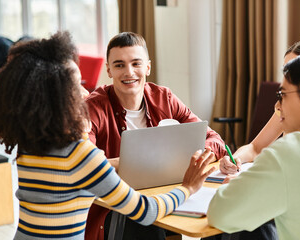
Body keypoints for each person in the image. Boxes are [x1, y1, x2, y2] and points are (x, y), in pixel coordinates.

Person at [0, 31, 216, 240]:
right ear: (57, 95)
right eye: (76, 84)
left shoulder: (30, 145)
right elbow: (145, 211)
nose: (85, 91)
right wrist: (189, 187)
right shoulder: (79, 154)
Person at [85, 32, 227, 239]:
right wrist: (136, 161)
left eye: (136, 63)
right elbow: (85, 165)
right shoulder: (93, 108)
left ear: (148, 67)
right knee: (145, 222)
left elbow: (215, 141)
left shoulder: (164, 98)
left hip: (168, 194)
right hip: (117, 207)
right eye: (119, 65)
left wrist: (196, 157)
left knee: (219, 214)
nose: (129, 72)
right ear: (108, 70)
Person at [207, 52, 300, 239]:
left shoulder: (289, 154)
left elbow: (219, 214)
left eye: (282, 95)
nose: (278, 105)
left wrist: (234, 186)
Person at [219, 39, 300, 175]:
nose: (286, 79)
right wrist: (236, 158)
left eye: (294, 73)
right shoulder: (286, 108)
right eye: (285, 71)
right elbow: (255, 147)